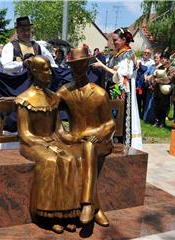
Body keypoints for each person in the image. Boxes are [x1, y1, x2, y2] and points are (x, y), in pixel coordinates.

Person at [16, 55, 80, 234]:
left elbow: (59, 129)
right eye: (45, 69)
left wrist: (72, 138)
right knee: (51, 162)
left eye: (49, 68)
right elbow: (25, 133)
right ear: (34, 72)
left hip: (51, 141)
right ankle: (49, 215)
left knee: (69, 159)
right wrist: (46, 144)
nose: (50, 73)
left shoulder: (53, 97)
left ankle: (67, 213)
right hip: (31, 144)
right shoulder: (24, 99)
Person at [57, 47, 116, 228]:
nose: (75, 71)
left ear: (87, 66)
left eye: (79, 66)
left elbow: (109, 124)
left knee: (89, 148)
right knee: (73, 154)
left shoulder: (99, 93)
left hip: (100, 141)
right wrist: (61, 132)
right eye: (72, 67)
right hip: (75, 141)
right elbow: (50, 109)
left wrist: (97, 134)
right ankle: (95, 207)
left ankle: (88, 205)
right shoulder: (65, 91)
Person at [92, 27, 141, 149]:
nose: (113, 42)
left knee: (118, 113)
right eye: (112, 40)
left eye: (115, 40)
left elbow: (124, 74)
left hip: (120, 87)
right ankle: (111, 138)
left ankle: (119, 140)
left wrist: (102, 66)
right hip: (113, 85)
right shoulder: (117, 53)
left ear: (124, 40)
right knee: (112, 113)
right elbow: (114, 70)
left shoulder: (128, 53)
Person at [152, 51, 175, 127]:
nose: (162, 60)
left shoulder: (172, 68)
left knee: (164, 107)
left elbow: (170, 79)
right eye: (161, 58)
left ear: (168, 59)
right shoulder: (159, 67)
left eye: (164, 58)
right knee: (156, 106)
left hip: (165, 91)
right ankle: (157, 121)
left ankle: (162, 122)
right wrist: (153, 80)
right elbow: (154, 77)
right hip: (157, 90)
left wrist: (159, 80)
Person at [143, 52, 161, 124]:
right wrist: (146, 78)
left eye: (157, 58)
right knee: (148, 102)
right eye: (155, 58)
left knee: (153, 103)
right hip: (149, 86)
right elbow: (146, 73)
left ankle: (152, 119)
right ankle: (146, 118)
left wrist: (151, 77)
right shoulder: (152, 66)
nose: (156, 59)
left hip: (156, 87)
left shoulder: (161, 66)